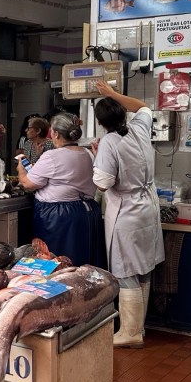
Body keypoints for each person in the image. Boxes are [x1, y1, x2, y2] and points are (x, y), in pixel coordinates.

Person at [93, 81, 164, 349]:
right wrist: (112, 94)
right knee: (144, 268)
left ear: (101, 123)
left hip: (126, 213)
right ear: (124, 114)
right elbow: (144, 106)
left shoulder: (110, 142)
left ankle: (130, 333)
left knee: (125, 271)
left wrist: (97, 156)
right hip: (148, 208)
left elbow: (103, 183)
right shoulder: (140, 129)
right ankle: (139, 327)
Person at [16, 112, 104, 270]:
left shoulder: (51, 156)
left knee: (57, 266)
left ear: (55, 133)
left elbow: (28, 184)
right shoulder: (88, 154)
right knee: (83, 265)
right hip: (87, 213)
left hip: (59, 217)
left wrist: (21, 169)